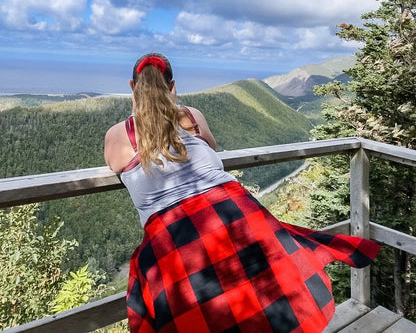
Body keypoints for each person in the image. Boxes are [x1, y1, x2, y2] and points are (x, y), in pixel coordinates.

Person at [104, 53, 380, 333]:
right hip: (233, 209)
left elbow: (117, 165)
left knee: (203, 314)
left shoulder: (119, 135)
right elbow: (210, 147)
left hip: (173, 232)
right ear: (172, 86)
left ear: (132, 87)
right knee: (264, 294)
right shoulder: (192, 117)